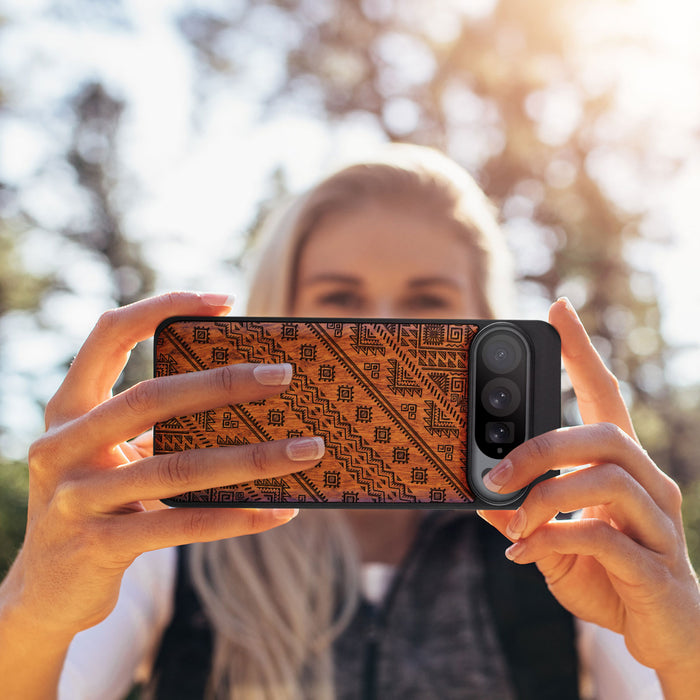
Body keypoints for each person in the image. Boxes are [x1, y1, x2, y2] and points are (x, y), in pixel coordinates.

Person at [0, 145, 698, 700]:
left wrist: (685, 648)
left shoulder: (567, 542)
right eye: (340, 298)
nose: (384, 328)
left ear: (487, 323)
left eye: (427, 301)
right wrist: (34, 607)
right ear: (279, 314)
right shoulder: (170, 535)